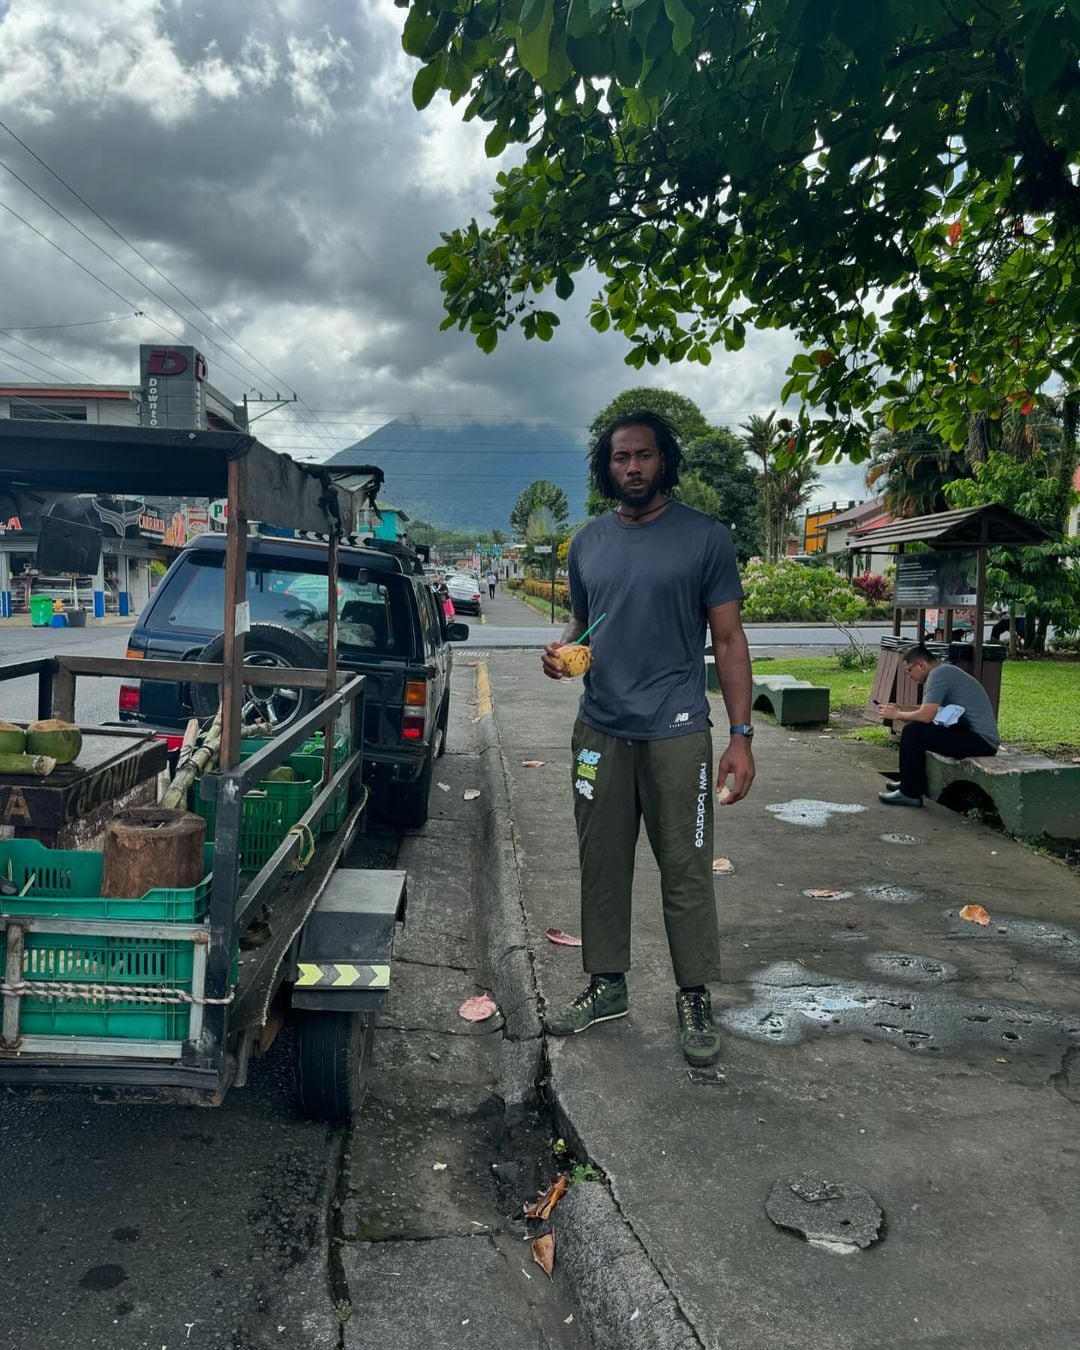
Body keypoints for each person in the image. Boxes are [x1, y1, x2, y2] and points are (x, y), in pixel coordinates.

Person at [539, 409, 754, 1068]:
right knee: (601, 865)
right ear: (607, 468)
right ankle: (607, 985)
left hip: (677, 733)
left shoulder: (705, 539)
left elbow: (727, 638)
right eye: (620, 458)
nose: (631, 467)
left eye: (644, 456)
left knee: (685, 871)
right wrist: (564, 653)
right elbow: (585, 624)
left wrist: (741, 736)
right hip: (599, 730)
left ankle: (693, 994)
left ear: (665, 462)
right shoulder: (588, 543)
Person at [878, 644, 1000, 807]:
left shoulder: (938, 675)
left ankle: (909, 793)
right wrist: (900, 708)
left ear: (921, 665)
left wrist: (897, 715)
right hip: (974, 736)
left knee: (913, 732)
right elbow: (930, 710)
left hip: (982, 742)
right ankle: (910, 783)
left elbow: (926, 716)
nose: (908, 675)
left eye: (909, 670)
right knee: (918, 730)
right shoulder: (944, 672)